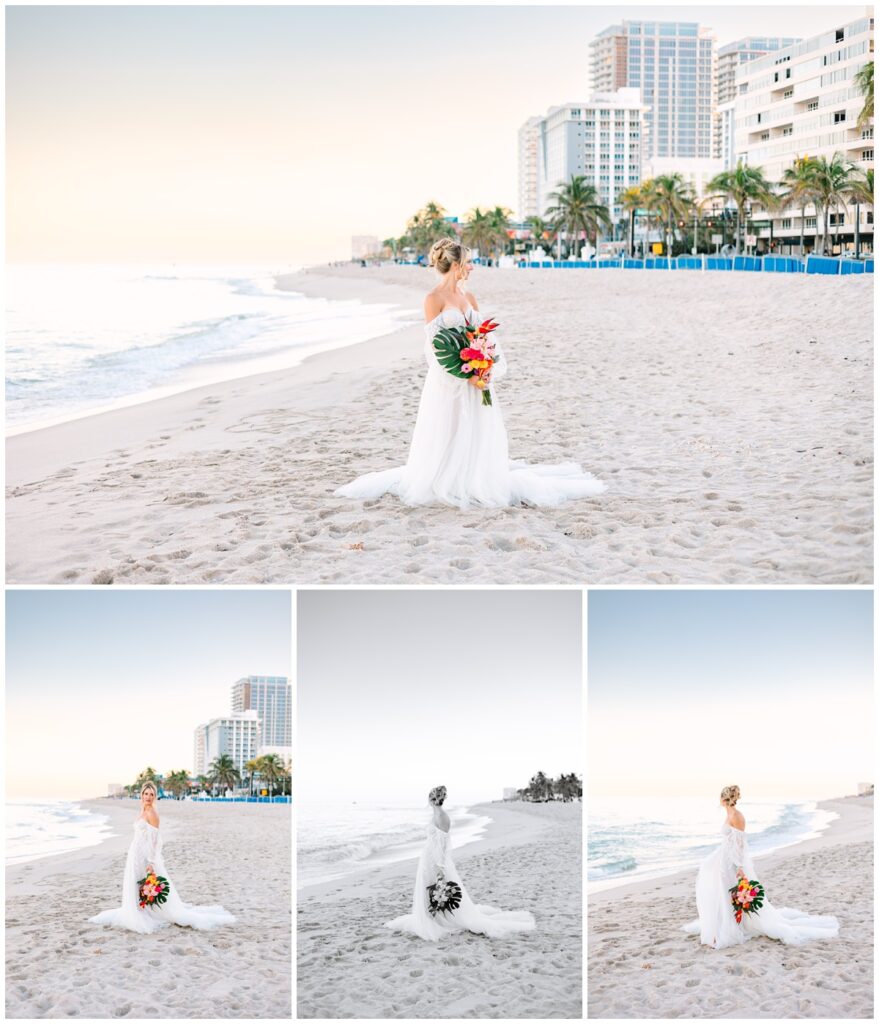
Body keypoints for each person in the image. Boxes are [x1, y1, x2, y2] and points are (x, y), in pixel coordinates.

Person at [335, 237, 605, 508]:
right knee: (450, 429)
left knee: (477, 427)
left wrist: (487, 366)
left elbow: (483, 337)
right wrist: (465, 374)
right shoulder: (433, 299)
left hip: (478, 378)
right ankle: (449, 480)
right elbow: (436, 348)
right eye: (468, 262)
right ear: (455, 264)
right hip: (449, 379)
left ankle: (475, 476)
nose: (472, 268)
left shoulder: (469, 297)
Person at [683, 785, 839, 949]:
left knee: (729, 891)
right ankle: (723, 925)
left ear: (723, 799)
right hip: (724, 858)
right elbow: (729, 841)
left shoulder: (736, 816)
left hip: (732, 861)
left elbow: (740, 845)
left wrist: (740, 867)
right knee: (722, 890)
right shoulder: (729, 813)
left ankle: (729, 929)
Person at [385, 785, 535, 941]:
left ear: (432, 799)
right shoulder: (436, 815)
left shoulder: (442, 817)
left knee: (437, 889)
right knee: (427, 888)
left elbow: (443, 846)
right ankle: (432, 917)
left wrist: (440, 868)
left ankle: (441, 918)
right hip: (428, 857)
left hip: (436, 861)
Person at [90, 782, 235, 933]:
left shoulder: (152, 813)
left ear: (154, 797)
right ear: (142, 795)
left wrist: (151, 862)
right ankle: (138, 908)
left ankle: (144, 911)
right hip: (135, 853)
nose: (148, 797)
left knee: (143, 881)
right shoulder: (142, 811)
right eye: (146, 794)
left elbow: (154, 841)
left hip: (145, 855)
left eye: (151, 795)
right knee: (135, 881)